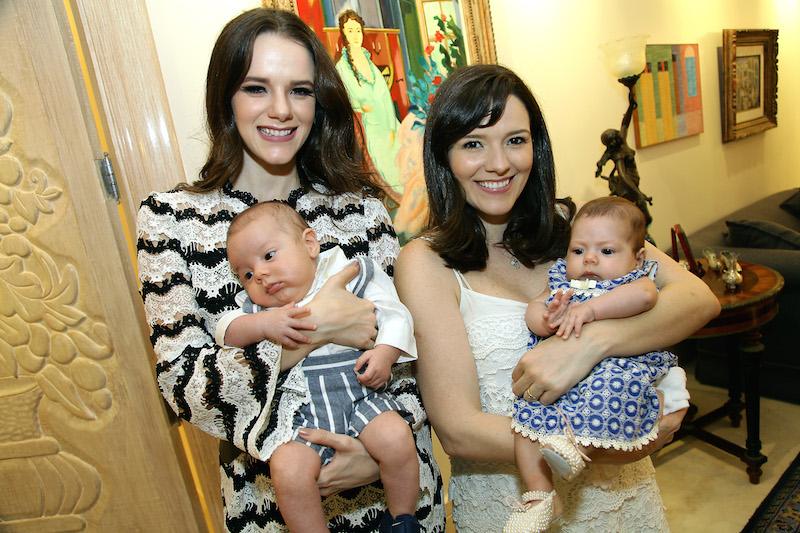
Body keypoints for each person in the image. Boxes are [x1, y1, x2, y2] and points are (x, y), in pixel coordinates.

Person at [135, 8, 443, 532]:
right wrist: (319, 326)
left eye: (299, 91)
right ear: (225, 97)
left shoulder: (361, 210)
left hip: (399, 501)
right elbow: (186, 384)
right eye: (256, 88)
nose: (281, 110)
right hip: (272, 505)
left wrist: (381, 454)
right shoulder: (171, 221)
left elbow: (416, 358)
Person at [394, 64, 720, 532]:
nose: (499, 163)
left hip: (626, 500)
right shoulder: (426, 263)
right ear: (444, 156)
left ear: (537, 146)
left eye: (515, 140)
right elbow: (459, 431)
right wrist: (613, 441)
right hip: (511, 503)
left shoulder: (578, 228)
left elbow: (697, 298)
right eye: (473, 144)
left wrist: (589, 344)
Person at [217, 201, 421, 532]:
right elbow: (226, 331)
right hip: (303, 414)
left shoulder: (350, 273)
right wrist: (264, 324)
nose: (261, 275)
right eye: (247, 274)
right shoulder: (260, 311)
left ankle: (403, 518)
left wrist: (385, 352)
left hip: (362, 395)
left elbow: (394, 313)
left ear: (310, 244)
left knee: (396, 437)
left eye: (269, 256)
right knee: (288, 470)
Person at [506, 196, 684, 532]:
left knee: (609, 396)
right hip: (557, 382)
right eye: (578, 250)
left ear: (637, 258)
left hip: (615, 371)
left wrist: (590, 310)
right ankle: (539, 494)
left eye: (607, 251)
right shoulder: (563, 281)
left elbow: (645, 297)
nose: (589, 258)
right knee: (524, 425)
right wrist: (548, 317)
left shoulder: (633, 280)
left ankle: (576, 446)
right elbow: (534, 310)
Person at [336, 9, 403, 198]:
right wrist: (368, 105)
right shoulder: (342, 67)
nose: (355, 35)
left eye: (358, 30)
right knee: (383, 158)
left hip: (386, 119)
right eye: (350, 31)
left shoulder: (369, 62)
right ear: (344, 34)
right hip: (368, 122)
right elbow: (353, 96)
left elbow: (383, 93)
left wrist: (390, 122)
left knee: (405, 147)